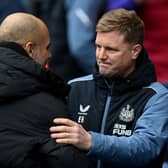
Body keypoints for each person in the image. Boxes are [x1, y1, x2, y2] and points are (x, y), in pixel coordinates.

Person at [50, 8, 168, 168]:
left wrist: (90, 141)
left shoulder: (157, 97)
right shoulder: (74, 88)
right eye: (98, 46)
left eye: (111, 49)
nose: (101, 56)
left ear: (135, 51)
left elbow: (146, 147)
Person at [0, 12, 95, 168]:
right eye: (47, 47)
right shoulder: (48, 105)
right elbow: (70, 161)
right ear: (30, 49)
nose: (50, 54)